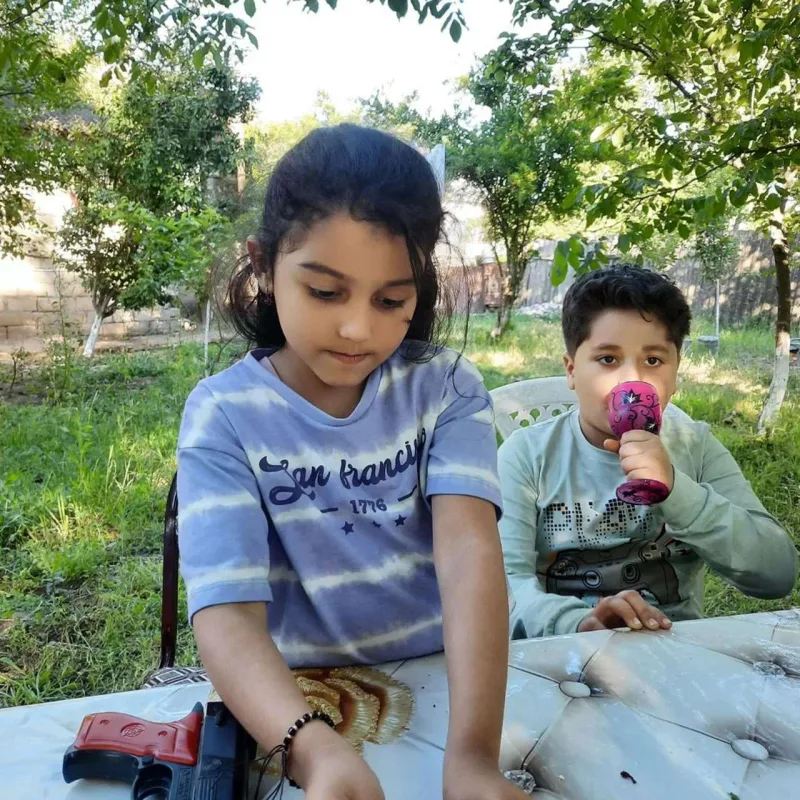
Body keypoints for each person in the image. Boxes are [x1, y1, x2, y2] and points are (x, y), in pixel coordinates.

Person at [177, 124, 529, 800]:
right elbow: (227, 616)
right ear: (263, 265)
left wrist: (475, 759)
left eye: (391, 300)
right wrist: (311, 750)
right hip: (295, 698)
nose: (358, 329)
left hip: (451, 682)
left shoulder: (449, 389)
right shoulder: (224, 414)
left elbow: (469, 558)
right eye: (326, 291)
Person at [499, 265, 798, 639]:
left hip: (674, 650)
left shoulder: (696, 447)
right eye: (608, 359)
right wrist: (576, 621)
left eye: (653, 361)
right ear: (572, 370)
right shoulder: (527, 455)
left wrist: (676, 489)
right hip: (561, 654)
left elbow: (776, 574)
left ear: (675, 374)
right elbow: (503, 585)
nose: (632, 380)